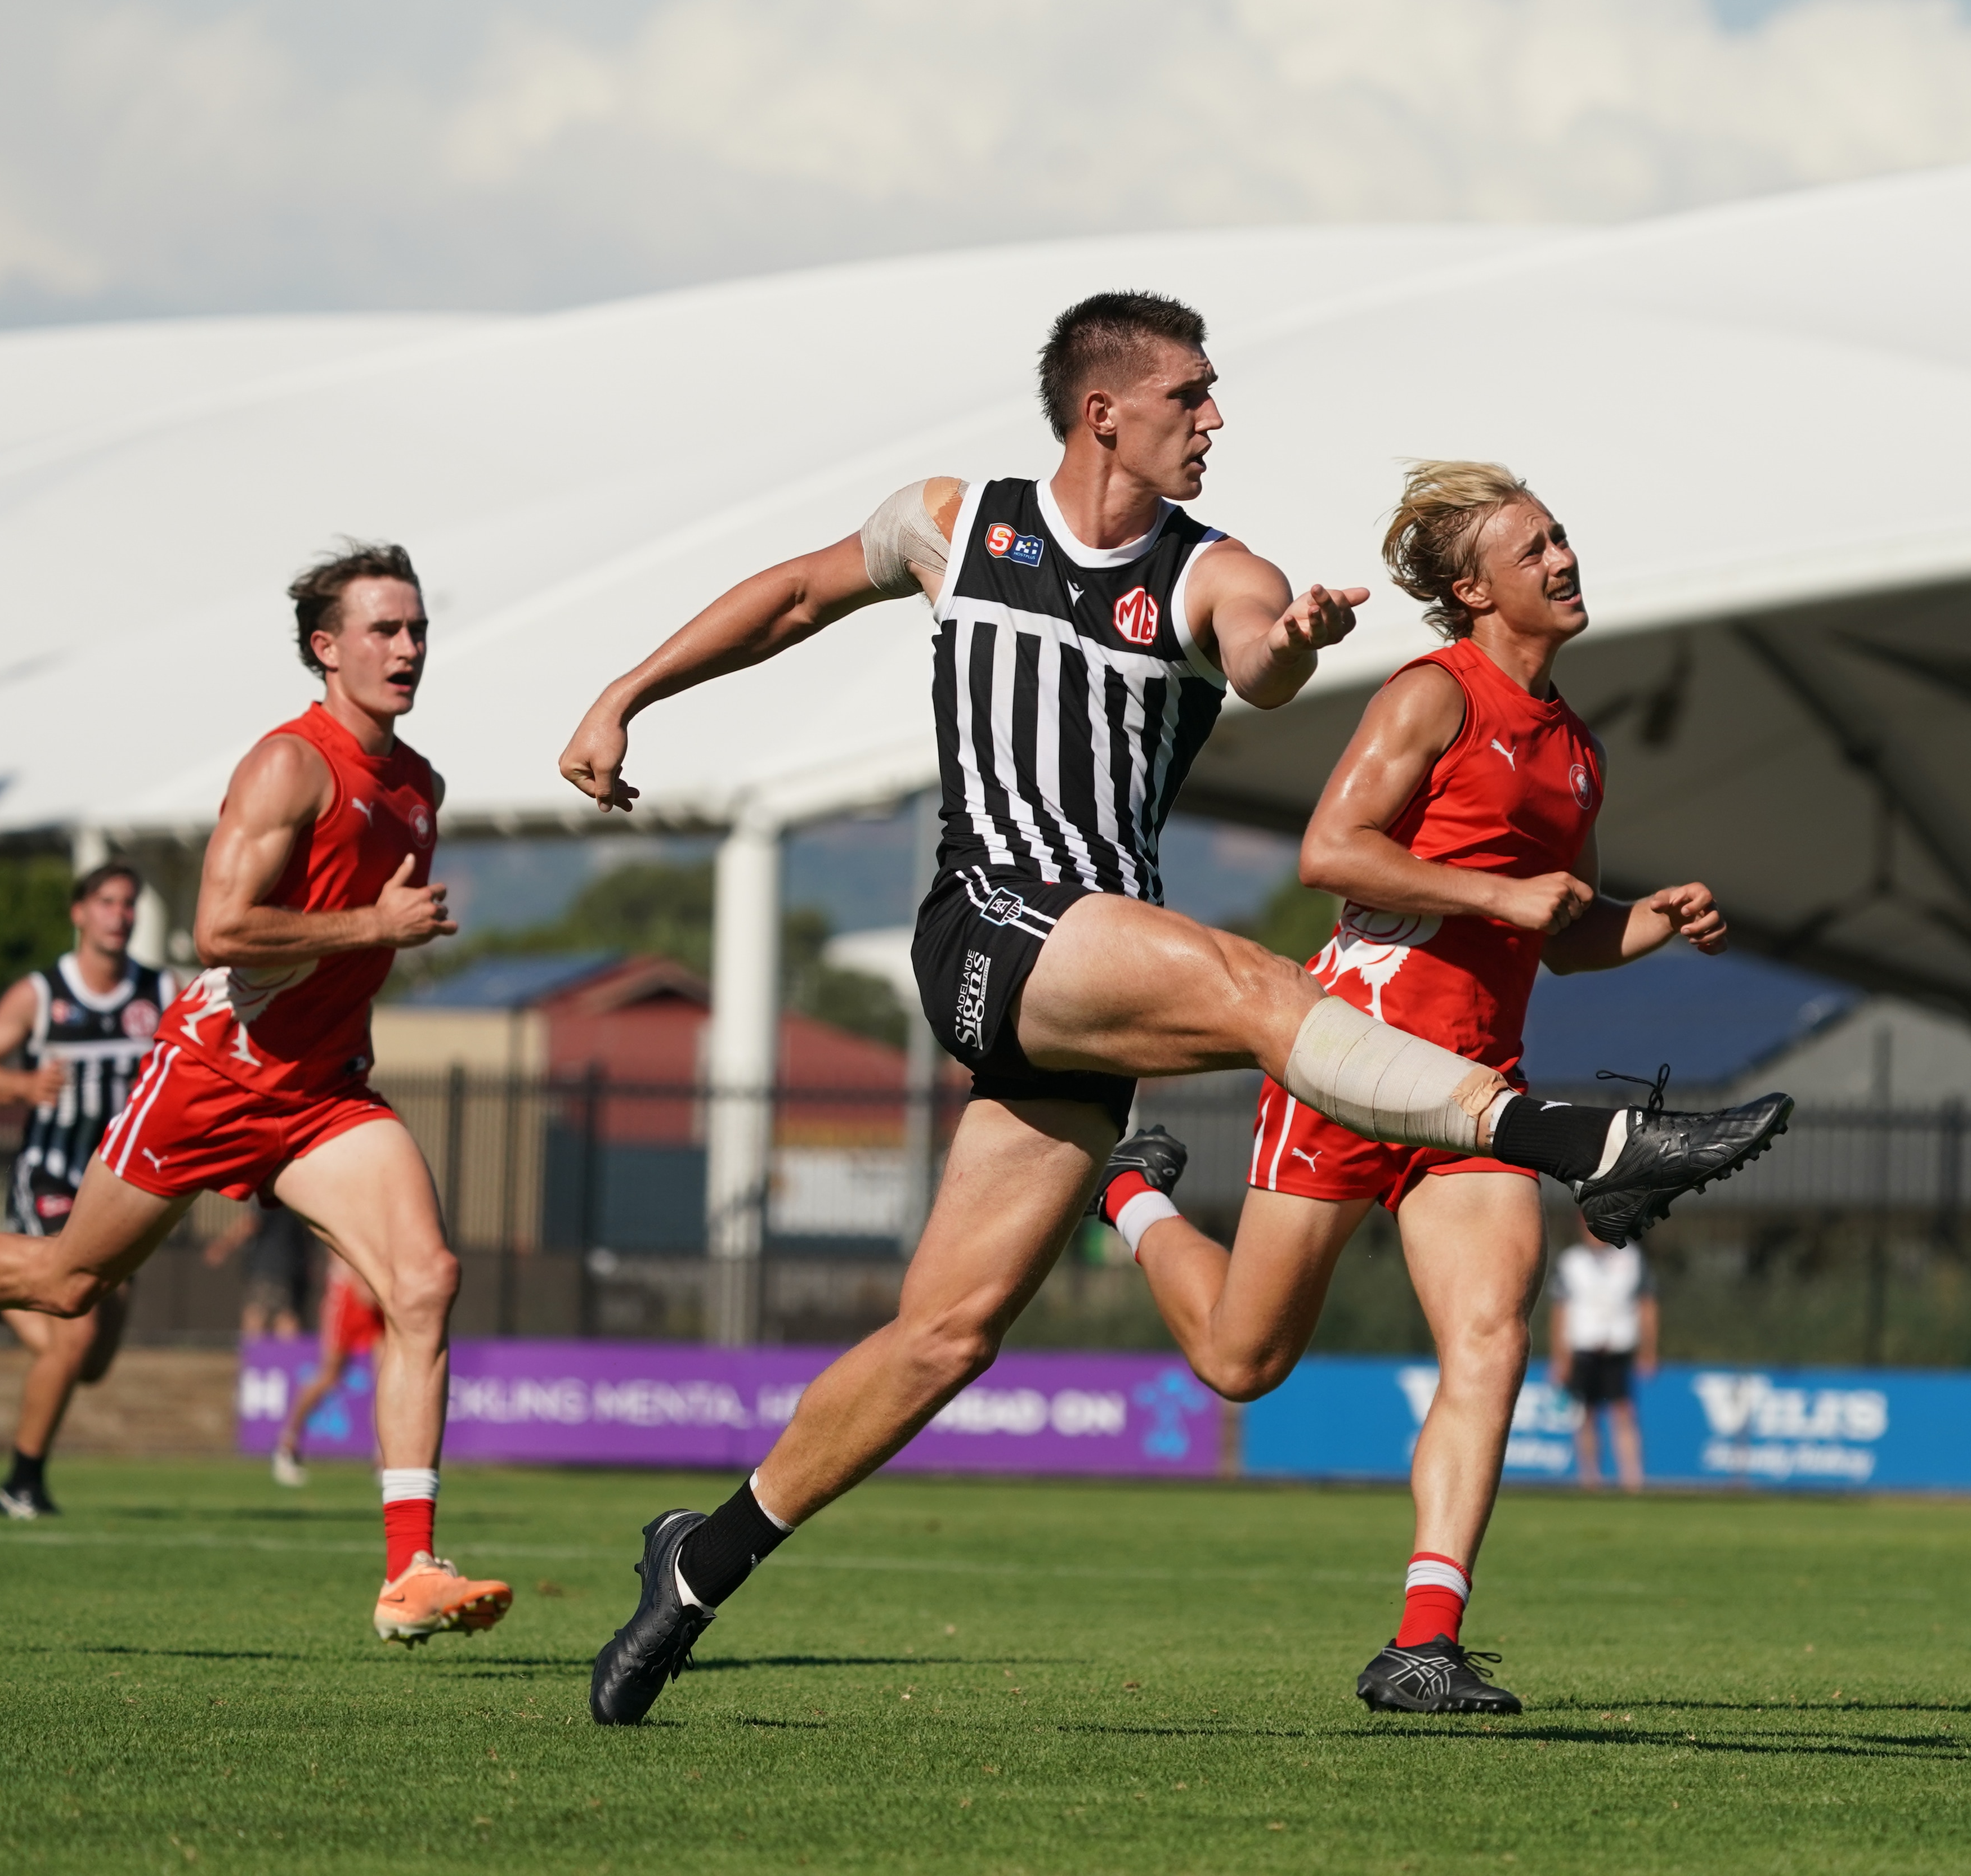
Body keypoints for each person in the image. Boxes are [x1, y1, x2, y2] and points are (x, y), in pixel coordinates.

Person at [554, 291, 1786, 1725]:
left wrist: (1299, 640)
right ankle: (1571, 1139)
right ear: (1104, 412)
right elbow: (793, 596)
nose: (1215, 418)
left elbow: (1257, 653)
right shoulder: (957, 520)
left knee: (947, 1339)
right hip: (996, 924)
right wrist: (625, 694)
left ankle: (697, 1561)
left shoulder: (1214, 568)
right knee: (1265, 984)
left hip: (1091, 987)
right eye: (1190, 396)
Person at [1099, 461, 1770, 1715]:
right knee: (1244, 1363)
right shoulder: (1431, 693)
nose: (1564, 559)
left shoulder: (1575, 748)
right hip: (1350, 1059)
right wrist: (1499, 895)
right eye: (1535, 548)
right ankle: (1134, 1198)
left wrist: (1649, 919)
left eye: (1564, 535)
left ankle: (1423, 1639)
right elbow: (1329, 852)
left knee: (1491, 1335)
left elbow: (1561, 934)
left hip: (1480, 1089)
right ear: (1471, 589)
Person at [0, 540, 511, 1646]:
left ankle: (408, 1568)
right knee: (64, 1281)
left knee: (425, 1280)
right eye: (384, 628)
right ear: (325, 648)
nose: (409, 646)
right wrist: (375, 926)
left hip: (323, 1094)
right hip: (214, 1072)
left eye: (418, 627)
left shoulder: (419, 785)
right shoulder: (290, 765)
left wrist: (364, 952)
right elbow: (216, 930)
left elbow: (343, 942)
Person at [0, 862, 169, 1518]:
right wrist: (20, 1086)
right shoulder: (42, 993)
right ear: (79, 912)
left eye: (129, 903)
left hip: (122, 1181)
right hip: (49, 1174)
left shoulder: (159, 990)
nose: (119, 915)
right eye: (106, 901)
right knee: (74, 1331)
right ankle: (21, 1483)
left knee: (92, 1359)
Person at [1551, 1215, 1658, 1492]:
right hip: (1583, 1348)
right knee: (1585, 1415)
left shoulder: (1632, 1259)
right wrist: (1560, 1358)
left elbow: (1647, 1305)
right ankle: (1590, 1480)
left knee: (1623, 1413)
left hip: (1618, 1348)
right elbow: (1560, 1311)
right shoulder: (1571, 1262)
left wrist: (1648, 1350)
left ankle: (1632, 1480)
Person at [268, 1251, 387, 1488]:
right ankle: (287, 1444)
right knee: (329, 1377)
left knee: (385, 1382)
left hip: (378, 1297)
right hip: (347, 1300)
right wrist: (360, 1281)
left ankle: (383, 1460)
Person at [203, 1202, 316, 1338]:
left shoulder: (269, 1190)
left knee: (259, 1316)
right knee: (287, 1314)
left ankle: (256, 1358)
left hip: (269, 1269)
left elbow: (251, 1222)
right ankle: (288, 1358)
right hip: (294, 1267)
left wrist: (223, 1245)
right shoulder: (298, 1194)